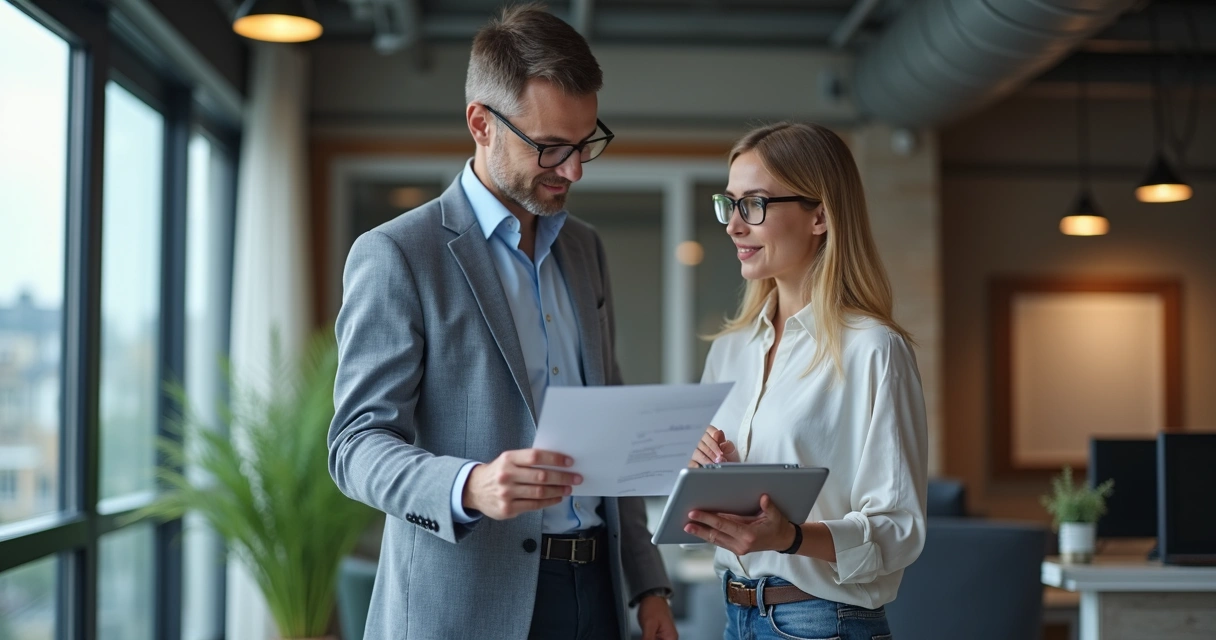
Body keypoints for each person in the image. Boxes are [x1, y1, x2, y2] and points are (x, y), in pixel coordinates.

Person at [328, 5, 676, 639]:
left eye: (585, 144)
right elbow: (354, 444)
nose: (572, 169)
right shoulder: (399, 254)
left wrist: (648, 583)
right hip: (468, 602)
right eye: (549, 147)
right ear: (480, 124)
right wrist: (470, 485)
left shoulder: (585, 250)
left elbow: (611, 416)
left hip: (598, 593)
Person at [685, 122, 928, 640]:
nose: (732, 225)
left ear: (819, 214)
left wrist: (792, 537)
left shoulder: (875, 350)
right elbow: (719, 505)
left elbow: (900, 529)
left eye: (754, 204)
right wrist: (703, 473)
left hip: (822, 622)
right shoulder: (730, 350)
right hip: (734, 616)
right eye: (729, 203)